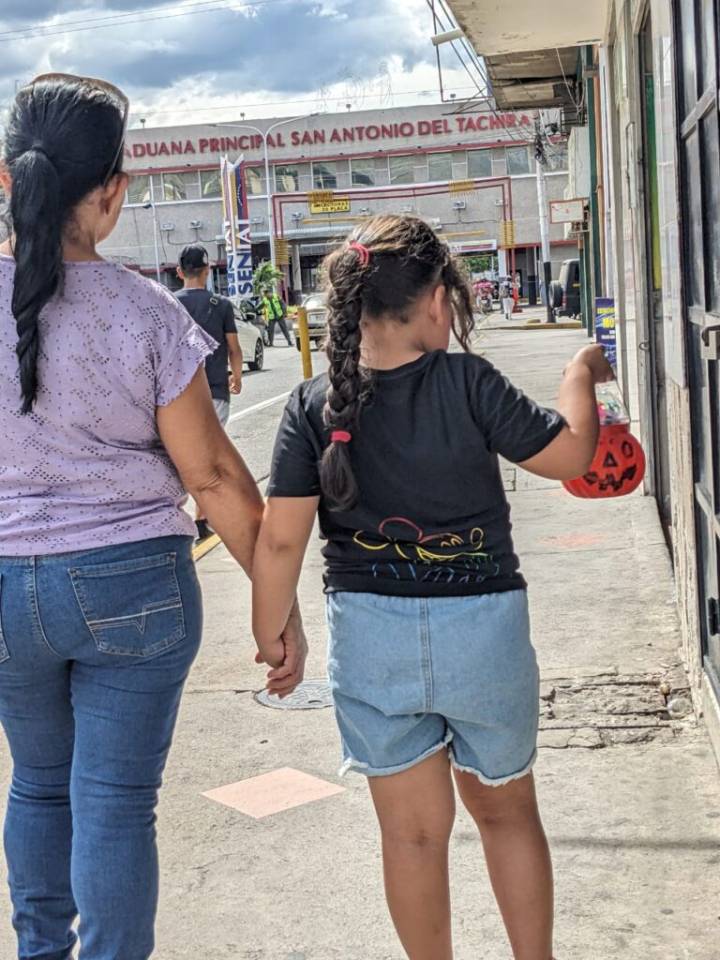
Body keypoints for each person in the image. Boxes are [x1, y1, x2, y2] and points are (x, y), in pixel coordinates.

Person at [0, 73, 305, 960]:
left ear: (10, 181)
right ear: (114, 193)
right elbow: (210, 477)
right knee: (116, 804)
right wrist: (275, 606)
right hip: (135, 584)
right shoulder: (148, 315)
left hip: (7, 595)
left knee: (37, 789)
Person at [252, 214, 613, 960]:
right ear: (440, 304)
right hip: (482, 631)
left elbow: (281, 538)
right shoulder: (469, 383)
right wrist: (580, 374)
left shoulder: (313, 406)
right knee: (507, 816)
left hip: (372, 638)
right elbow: (573, 456)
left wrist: (274, 632)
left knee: (412, 836)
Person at [175, 243, 244, 540]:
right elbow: (234, 348)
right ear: (208, 270)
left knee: (182, 454)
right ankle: (203, 517)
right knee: (209, 454)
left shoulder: (169, 303)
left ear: (179, 272)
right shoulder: (222, 305)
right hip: (215, 390)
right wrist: (237, 376)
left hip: (177, 397)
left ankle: (193, 515)